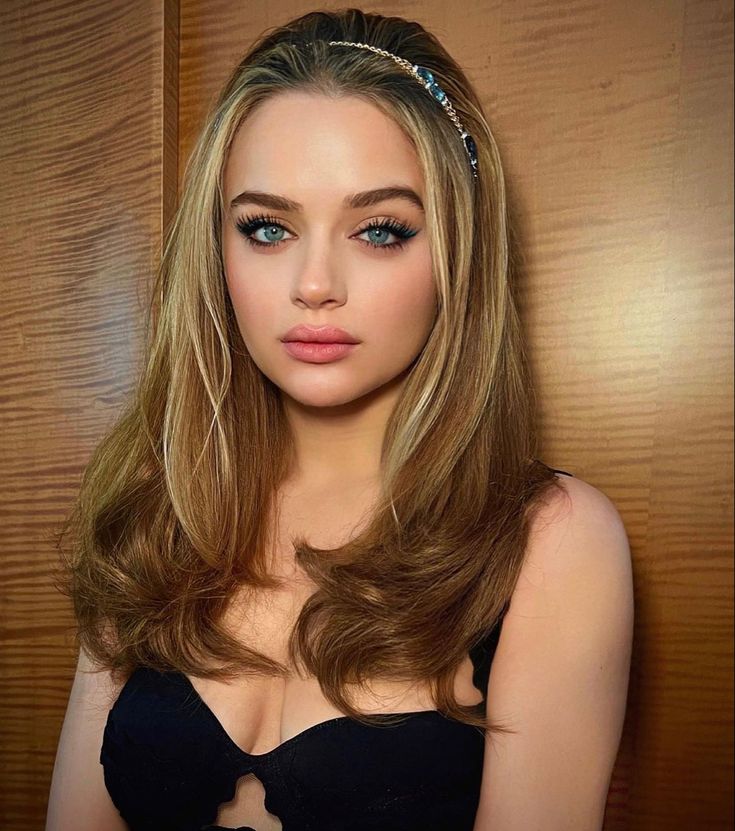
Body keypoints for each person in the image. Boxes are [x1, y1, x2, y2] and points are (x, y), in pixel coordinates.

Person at [45, 8, 634, 831]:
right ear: (216, 252)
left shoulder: (550, 542)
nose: (314, 282)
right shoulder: (157, 502)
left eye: (380, 230)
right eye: (267, 228)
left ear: (458, 252)